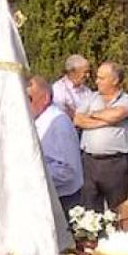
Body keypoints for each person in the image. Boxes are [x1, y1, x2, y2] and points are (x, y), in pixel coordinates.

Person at [74, 61, 128, 214]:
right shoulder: (91, 98)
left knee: (117, 209)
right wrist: (106, 121)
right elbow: (78, 120)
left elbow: (117, 114)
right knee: (89, 212)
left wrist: (92, 114)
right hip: (89, 162)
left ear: (115, 80)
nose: (97, 81)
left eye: (101, 78)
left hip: (115, 164)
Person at [27, 74, 84, 215]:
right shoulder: (36, 119)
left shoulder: (58, 123)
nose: (24, 104)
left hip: (62, 201)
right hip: (43, 197)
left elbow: (66, 171)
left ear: (45, 98)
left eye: (29, 99)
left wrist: (27, 174)